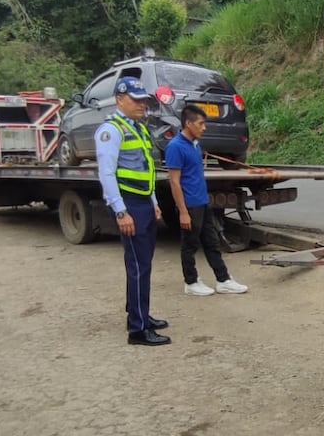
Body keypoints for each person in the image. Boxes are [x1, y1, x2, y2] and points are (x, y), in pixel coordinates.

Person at [96, 76, 171, 347]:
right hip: (128, 204)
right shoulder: (111, 130)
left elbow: (144, 169)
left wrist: (153, 201)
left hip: (142, 203)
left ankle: (140, 315)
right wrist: (120, 211)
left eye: (143, 100)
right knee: (138, 267)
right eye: (135, 100)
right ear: (119, 99)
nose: (141, 104)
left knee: (144, 264)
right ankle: (138, 331)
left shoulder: (137, 129)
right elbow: (106, 173)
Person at [165, 104, 249, 297]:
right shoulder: (176, 147)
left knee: (212, 243)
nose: (204, 128)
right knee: (190, 245)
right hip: (190, 205)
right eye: (201, 123)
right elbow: (174, 182)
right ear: (188, 123)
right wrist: (183, 212)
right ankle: (191, 282)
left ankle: (223, 280)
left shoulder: (194, 144)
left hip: (202, 202)